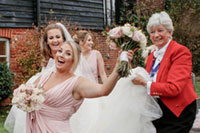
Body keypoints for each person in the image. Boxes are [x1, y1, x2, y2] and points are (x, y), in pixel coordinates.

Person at [26, 40, 132, 132]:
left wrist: (118, 65)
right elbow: (28, 93)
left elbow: (103, 90)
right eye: (60, 51)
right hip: (36, 127)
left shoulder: (77, 83)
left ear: (74, 60)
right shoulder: (46, 76)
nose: (61, 55)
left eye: (68, 53)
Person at [132, 11, 198, 133]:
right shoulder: (152, 55)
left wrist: (145, 83)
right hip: (159, 110)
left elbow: (174, 88)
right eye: (152, 32)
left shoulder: (180, 52)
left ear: (170, 32)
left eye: (160, 30)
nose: (156, 35)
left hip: (179, 111)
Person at [4, 23, 69, 133]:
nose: (55, 40)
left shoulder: (69, 57)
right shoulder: (49, 59)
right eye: (51, 38)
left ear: (63, 38)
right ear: (47, 42)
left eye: (58, 37)